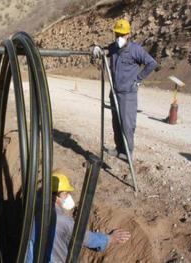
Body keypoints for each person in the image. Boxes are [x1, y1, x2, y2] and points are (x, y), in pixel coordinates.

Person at [26, 170, 131, 262]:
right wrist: (109, 239)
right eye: (66, 193)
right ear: (58, 195)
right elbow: (84, 237)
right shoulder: (62, 221)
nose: (68, 196)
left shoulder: (32, 206)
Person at [93, 19, 157, 160]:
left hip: (128, 94)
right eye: (117, 34)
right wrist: (98, 48)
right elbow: (105, 51)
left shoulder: (135, 50)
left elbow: (152, 63)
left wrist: (138, 79)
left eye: (122, 34)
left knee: (127, 124)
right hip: (114, 92)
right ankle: (119, 149)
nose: (118, 37)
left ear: (128, 34)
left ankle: (128, 153)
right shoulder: (114, 47)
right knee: (116, 122)